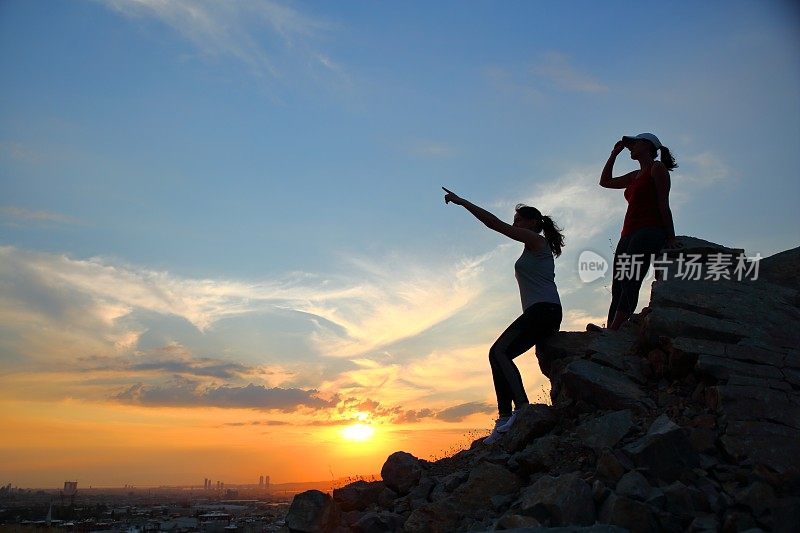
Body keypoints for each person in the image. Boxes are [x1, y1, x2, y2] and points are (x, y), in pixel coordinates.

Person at [442, 187, 564, 444]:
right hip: (541, 311)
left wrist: (463, 202)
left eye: (519, 220)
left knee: (498, 352)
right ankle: (504, 418)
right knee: (499, 354)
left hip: (544, 310)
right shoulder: (531, 248)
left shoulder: (537, 242)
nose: (514, 224)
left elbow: (494, 224)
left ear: (532, 223)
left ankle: (520, 409)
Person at [598, 132, 680, 331]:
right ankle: (611, 330)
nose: (631, 148)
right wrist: (614, 154)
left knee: (630, 279)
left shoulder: (657, 168)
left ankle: (615, 327)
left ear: (647, 145)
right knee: (618, 285)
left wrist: (671, 237)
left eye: (635, 144)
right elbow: (605, 182)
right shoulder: (634, 176)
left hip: (649, 231)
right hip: (627, 235)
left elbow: (663, 203)